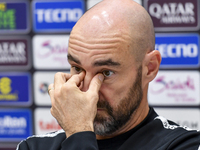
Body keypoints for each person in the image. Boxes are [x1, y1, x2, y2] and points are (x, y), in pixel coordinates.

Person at [17, 0, 200, 149]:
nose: (88, 92)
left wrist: (79, 133)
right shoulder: (34, 147)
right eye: (77, 69)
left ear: (149, 68)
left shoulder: (183, 145)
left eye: (106, 72)